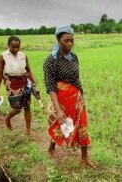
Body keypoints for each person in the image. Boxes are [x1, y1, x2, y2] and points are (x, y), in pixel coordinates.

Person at [43, 25, 96, 168]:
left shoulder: (74, 58)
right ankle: (51, 147)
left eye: (72, 40)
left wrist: (81, 96)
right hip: (60, 100)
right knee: (59, 124)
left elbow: (77, 79)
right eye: (66, 40)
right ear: (58, 40)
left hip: (76, 98)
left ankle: (84, 157)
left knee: (82, 125)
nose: (70, 44)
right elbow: (50, 86)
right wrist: (58, 110)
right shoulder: (51, 60)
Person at [0, 36, 36, 135]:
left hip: (24, 82)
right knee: (17, 109)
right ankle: (8, 118)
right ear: (8, 45)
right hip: (12, 84)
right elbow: (0, 73)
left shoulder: (23, 55)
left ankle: (28, 129)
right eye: (13, 47)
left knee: (27, 106)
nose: (16, 49)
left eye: (18, 47)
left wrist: (33, 82)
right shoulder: (3, 56)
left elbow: (29, 70)